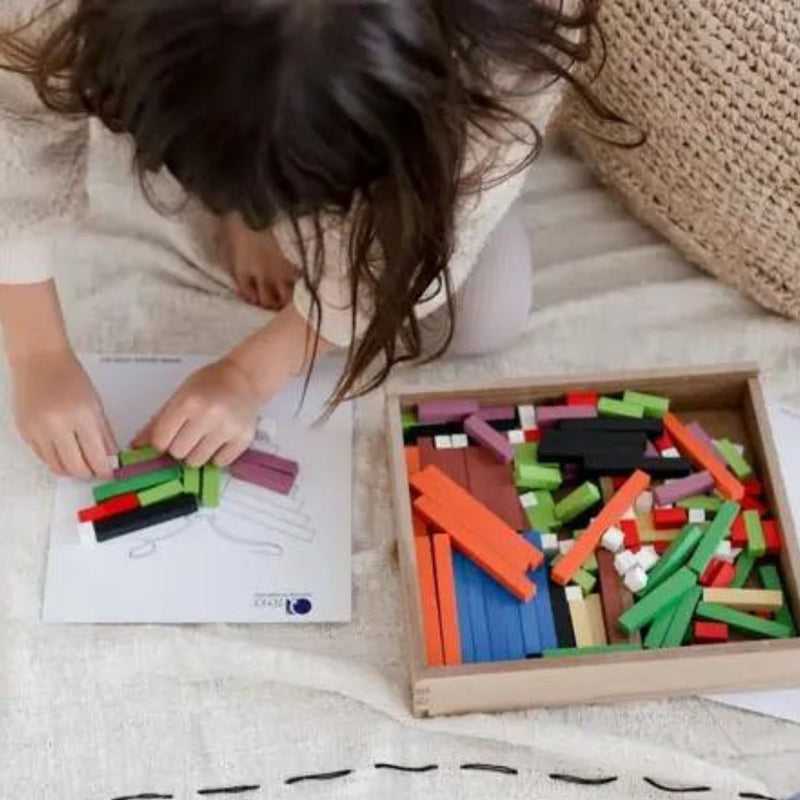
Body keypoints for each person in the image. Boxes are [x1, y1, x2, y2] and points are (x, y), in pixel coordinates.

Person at [0, 0, 609, 479]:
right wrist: (38, 357)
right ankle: (246, 187)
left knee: (484, 311)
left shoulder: (504, 40)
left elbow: (458, 212)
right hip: (195, 62)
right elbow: (11, 119)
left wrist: (251, 372)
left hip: (427, 91)